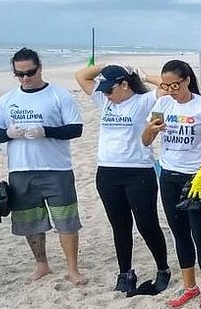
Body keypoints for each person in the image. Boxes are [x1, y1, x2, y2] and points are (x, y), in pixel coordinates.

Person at [0, 47, 87, 285]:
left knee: (66, 218)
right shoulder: (8, 99)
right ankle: (41, 265)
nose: (25, 78)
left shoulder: (59, 95)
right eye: (19, 74)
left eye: (30, 73)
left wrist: (46, 131)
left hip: (56, 168)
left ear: (40, 68)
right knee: (30, 221)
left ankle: (72, 269)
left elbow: (76, 128)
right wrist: (9, 134)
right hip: (21, 170)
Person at [75, 64, 170, 293]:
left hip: (138, 171)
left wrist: (143, 75)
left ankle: (162, 269)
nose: (106, 94)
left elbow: (167, 87)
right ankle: (125, 272)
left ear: (125, 84)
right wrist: (106, 66)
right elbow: (81, 76)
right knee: (120, 225)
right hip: (107, 172)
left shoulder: (144, 101)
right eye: (104, 90)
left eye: (110, 90)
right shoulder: (105, 101)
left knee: (147, 224)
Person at [142, 60, 201, 308]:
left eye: (175, 85)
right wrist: (152, 130)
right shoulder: (163, 103)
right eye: (166, 86)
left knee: (200, 233)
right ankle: (190, 287)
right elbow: (145, 141)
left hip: (196, 177)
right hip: (169, 175)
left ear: (187, 80)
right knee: (179, 234)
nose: (170, 90)